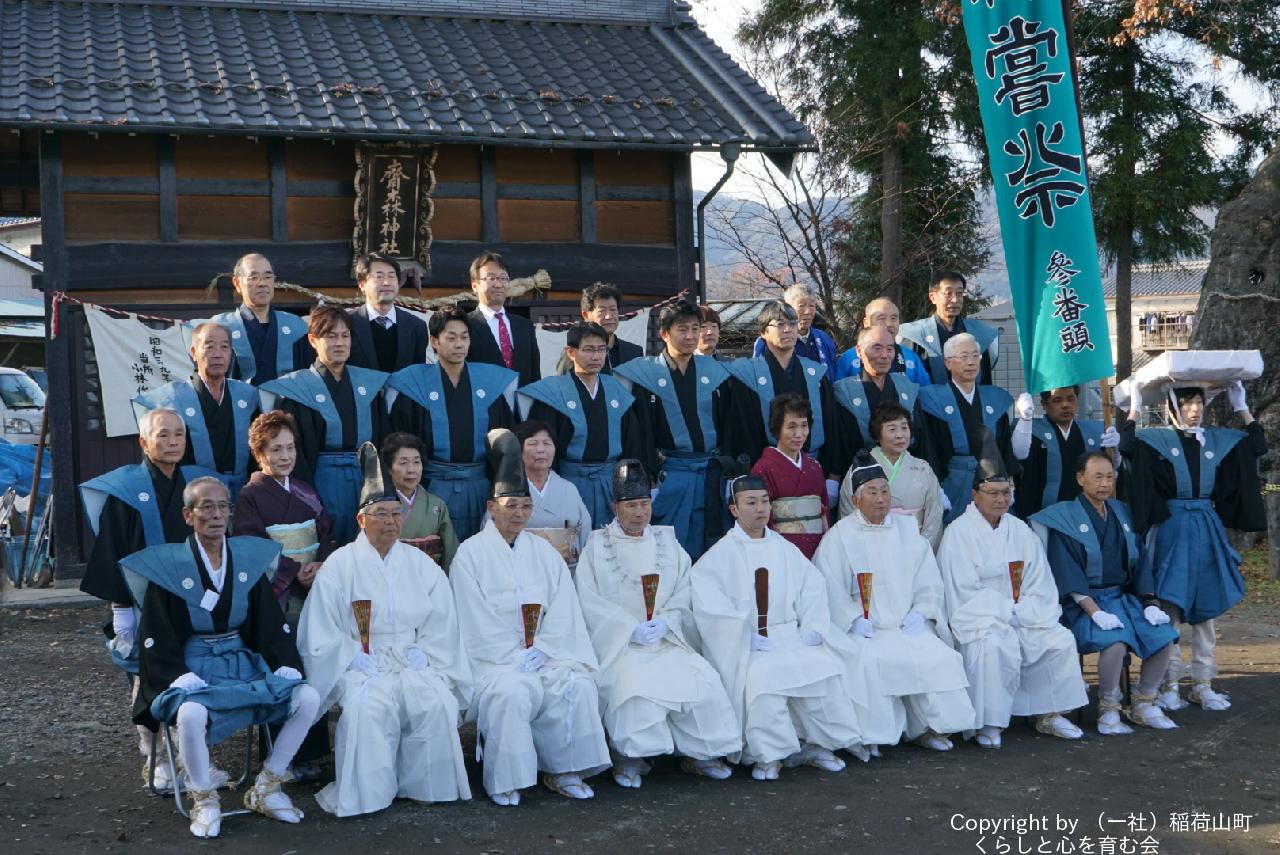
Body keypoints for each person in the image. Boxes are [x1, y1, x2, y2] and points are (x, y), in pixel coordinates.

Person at [126, 476, 319, 838]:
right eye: (206, 507)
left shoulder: (245, 560)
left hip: (240, 660)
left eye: (223, 506)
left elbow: (267, 621)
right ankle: (204, 798)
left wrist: (283, 663)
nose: (216, 515)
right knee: (191, 712)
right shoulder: (170, 567)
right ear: (188, 515)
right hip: (192, 663)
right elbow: (156, 632)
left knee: (307, 697)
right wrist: (177, 674)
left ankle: (268, 784)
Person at [297, 443, 473, 816]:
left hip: (411, 656)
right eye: (381, 514)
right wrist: (349, 657)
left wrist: (427, 651)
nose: (391, 521)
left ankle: (424, 784)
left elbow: (442, 619)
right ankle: (372, 792)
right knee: (367, 707)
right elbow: (319, 630)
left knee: (435, 702)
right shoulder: (339, 566)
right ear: (362, 520)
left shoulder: (420, 564)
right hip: (362, 660)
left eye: (396, 513)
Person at [450, 429, 611, 806]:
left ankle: (564, 770)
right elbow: (472, 618)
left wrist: (545, 649)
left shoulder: (544, 553)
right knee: (511, 691)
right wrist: (513, 655)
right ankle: (507, 778)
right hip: (494, 661)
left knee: (576, 685)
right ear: (492, 507)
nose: (519, 514)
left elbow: (564, 610)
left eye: (525, 506)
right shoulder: (470, 555)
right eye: (511, 506)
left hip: (546, 653)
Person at [574, 460, 741, 788]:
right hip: (621, 645)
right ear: (615, 507)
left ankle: (700, 754)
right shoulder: (596, 547)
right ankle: (630, 757)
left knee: (702, 680)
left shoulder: (668, 543)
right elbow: (589, 602)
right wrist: (628, 629)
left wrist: (667, 622)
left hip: (667, 638)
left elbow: (685, 590)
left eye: (644, 504)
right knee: (635, 686)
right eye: (631, 505)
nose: (640, 513)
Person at [78, 408, 220, 789]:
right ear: (143, 442)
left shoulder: (197, 485)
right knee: (148, 678)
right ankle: (155, 757)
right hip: (144, 604)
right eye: (163, 435)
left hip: (192, 601)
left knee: (196, 672)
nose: (173, 442)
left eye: (179, 434)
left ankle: (193, 759)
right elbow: (113, 551)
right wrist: (121, 611)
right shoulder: (125, 490)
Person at [691, 474, 866, 780]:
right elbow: (710, 607)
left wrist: (812, 625)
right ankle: (769, 753)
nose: (760, 509)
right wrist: (742, 634)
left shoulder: (783, 548)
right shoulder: (718, 557)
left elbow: (812, 587)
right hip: (750, 643)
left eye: (764, 501)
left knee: (822, 668)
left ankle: (815, 745)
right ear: (734, 509)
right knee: (763, 676)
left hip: (790, 633)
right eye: (751, 502)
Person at [812, 452, 975, 754]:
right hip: (866, 628)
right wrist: (851, 619)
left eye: (884, 492)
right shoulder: (840, 536)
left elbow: (928, 579)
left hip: (906, 623)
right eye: (872, 493)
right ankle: (874, 734)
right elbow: (828, 586)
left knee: (936, 657)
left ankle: (925, 728)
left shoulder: (907, 529)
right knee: (868, 662)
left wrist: (921, 612)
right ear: (856, 499)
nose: (880, 499)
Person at [1118, 380, 1266, 711]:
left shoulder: (1217, 439)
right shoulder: (1157, 440)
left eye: (1199, 402)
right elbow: (1126, 445)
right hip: (1172, 528)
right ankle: (1169, 683)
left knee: (1207, 609)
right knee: (1169, 606)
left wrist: (1242, 408)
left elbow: (1257, 444)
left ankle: (1202, 683)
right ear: (1173, 408)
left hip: (1207, 527)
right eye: (1187, 403)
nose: (1195, 409)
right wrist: (1135, 409)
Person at [936, 459, 1088, 748]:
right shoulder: (958, 533)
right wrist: (1003, 610)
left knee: (1059, 640)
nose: (1001, 499)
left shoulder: (1020, 530)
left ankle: (1049, 714)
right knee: (993, 645)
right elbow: (962, 590)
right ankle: (989, 721)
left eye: (1006, 492)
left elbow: (1039, 579)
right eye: (993, 493)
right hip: (981, 618)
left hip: (1025, 613)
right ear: (975, 494)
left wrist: (1025, 610)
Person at [1031, 452, 1181, 735]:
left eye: (1110, 477)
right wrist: (1095, 612)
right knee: (1115, 642)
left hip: (1122, 599)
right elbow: (1066, 571)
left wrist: (1150, 602)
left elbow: (1139, 560)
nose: (1104, 483)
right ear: (1080, 478)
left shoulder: (1121, 512)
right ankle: (1108, 708)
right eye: (1097, 476)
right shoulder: (1064, 517)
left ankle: (1144, 702)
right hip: (1082, 604)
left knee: (1164, 636)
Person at [615, 299, 744, 559]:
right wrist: (650, 477)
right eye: (682, 329)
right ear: (664, 334)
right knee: (670, 549)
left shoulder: (716, 372)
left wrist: (732, 468)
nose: (690, 336)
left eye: (695, 329)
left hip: (712, 472)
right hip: (671, 474)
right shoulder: (647, 375)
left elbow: (731, 424)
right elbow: (642, 433)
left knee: (715, 548)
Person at [261, 306, 390, 546]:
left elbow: (383, 441)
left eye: (345, 335)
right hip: (320, 481)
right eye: (331, 336)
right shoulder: (298, 389)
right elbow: (296, 451)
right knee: (326, 545)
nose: (339, 343)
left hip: (366, 479)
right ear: (313, 340)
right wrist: (305, 495)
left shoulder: (369, 385)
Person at [386, 304, 517, 540]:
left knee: (480, 548)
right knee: (432, 549)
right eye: (451, 338)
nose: (459, 344)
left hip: (480, 485)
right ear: (434, 341)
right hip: (431, 485)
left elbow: (504, 441)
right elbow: (400, 438)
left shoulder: (490, 382)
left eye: (464, 337)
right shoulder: (414, 384)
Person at [519, 321, 652, 528]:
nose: (596, 356)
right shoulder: (553, 392)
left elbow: (632, 442)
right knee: (570, 537)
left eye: (601, 350)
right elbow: (545, 443)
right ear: (571, 352)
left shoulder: (617, 390)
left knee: (611, 537)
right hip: (569, 480)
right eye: (588, 350)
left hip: (611, 480)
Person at [726, 300, 848, 493]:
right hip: (764, 474)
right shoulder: (748, 375)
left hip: (812, 469)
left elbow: (831, 426)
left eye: (792, 323)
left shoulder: (815, 373)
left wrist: (833, 476)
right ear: (763, 332)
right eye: (780, 324)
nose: (787, 330)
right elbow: (742, 431)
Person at [132, 322, 261, 497]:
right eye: (209, 346)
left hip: (244, 490)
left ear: (231, 353)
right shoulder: (171, 398)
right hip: (193, 493)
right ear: (193, 352)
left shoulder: (248, 395)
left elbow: (259, 447)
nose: (217, 354)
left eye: (224, 347)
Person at [233, 410, 337, 619]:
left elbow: (326, 533)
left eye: (290, 447)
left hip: (316, 582)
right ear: (259, 454)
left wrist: (321, 564)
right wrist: (294, 569)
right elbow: (252, 546)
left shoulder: (305, 490)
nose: (286, 456)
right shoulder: (249, 496)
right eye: (276, 449)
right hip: (280, 592)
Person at [917, 333, 1016, 524]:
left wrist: (1009, 484)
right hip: (951, 483)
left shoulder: (995, 399)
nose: (971, 362)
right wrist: (936, 487)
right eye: (964, 356)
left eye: (975, 356)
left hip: (991, 482)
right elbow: (929, 449)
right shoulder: (932, 400)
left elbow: (1005, 447)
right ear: (948, 363)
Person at [839, 404, 944, 550]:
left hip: (916, 545)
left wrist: (922, 549)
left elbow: (934, 513)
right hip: (871, 545)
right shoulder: (860, 469)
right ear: (877, 435)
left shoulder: (923, 468)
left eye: (904, 428)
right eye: (892, 429)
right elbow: (848, 509)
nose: (900, 435)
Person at [1012, 385, 1118, 519]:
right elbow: (1019, 453)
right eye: (1057, 400)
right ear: (1044, 404)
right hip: (1037, 514)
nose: (1065, 405)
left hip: (1083, 515)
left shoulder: (1093, 431)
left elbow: (1112, 466)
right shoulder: (1030, 430)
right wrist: (1025, 420)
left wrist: (1115, 449)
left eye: (1070, 399)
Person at [211, 253, 311, 386]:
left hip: (286, 399)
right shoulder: (221, 327)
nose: (262, 283)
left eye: (268, 277)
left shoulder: (296, 327)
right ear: (237, 284)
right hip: (238, 399)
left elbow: (307, 376)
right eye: (254, 277)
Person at [506, 419, 592, 573]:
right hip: (519, 573)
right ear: (519, 450)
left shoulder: (568, 489)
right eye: (533, 443)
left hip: (566, 573)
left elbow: (584, 532)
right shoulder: (507, 490)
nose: (541, 450)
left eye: (547, 443)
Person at [750, 394, 829, 560]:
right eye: (791, 426)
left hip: (818, 549)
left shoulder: (814, 466)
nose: (799, 434)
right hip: (781, 551)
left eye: (804, 425)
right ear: (777, 428)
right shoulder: (763, 469)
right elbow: (762, 519)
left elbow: (824, 511)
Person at [832, 325, 925, 453]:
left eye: (890, 349)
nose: (885, 355)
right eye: (877, 348)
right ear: (859, 351)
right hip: (860, 462)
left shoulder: (906, 386)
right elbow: (839, 444)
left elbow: (920, 438)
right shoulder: (844, 392)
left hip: (905, 461)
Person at [898, 272, 999, 385]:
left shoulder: (979, 333)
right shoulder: (915, 335)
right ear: (933, 297)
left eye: (959, 293)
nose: (955, 300)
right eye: (948, 293)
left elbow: (985, 378)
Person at [381, 432, 459, 572]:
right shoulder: (377, 507)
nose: (411, 470)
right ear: (389, 469)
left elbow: (450, 554)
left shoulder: (437, 506)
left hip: (429, 578)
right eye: (403, 463)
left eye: (416, 462)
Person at [344, 253, 429, 373]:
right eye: (379, 276)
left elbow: (419, 374)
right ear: (362, 284)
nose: (386, 282)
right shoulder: (346, 324)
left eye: (391, 276)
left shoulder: (417, 326)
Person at [466, 250, 541, 386]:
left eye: (503, 278)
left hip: (521, 398)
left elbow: (535, 376)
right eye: (491, 278)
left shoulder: (525, 326)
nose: (498, 284)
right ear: (475, 285)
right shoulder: (465, 324)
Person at [834, 297, 929, 384]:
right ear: (866, 323)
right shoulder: (848, 359)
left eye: (893, 318)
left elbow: (925, 392)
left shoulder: (910, 357)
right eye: (882, 318)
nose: (889, 324)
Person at [751, 284, 837, 380]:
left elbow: (833, 370)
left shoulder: (823, 338)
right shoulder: (770, 340)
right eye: (801, 306)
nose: (808, 311)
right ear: (788, 308)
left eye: (812, 306)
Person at [556, 283, 643, 374]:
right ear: (586, 315)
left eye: (613, 309)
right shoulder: (574, 352)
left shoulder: (635, 352)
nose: (609, 316)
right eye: (602, 311)